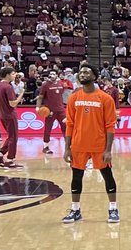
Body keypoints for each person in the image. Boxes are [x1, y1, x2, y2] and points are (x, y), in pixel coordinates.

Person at [61, 66, 119, 224]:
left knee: (107, 176)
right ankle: (75, 209)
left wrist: (108, 149)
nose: (83, 74)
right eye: (81, 72)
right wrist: (67, 148)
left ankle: (113, 208)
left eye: (86, 72)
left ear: (94, 76)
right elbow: (70, 124)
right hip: (78, 145)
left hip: (99, 145)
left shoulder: (105, 98)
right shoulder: (74, 97)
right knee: (76, 177)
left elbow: (110, 126)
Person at [0, 67, 22, 169]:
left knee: (10, 136)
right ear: (7, 75)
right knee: (14, 137)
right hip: (10, 115)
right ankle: (10, 160)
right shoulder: (8, 87)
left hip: (1, 114)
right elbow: (12, 104)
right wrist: (21, 94)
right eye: (13, 74)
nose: (14, 75)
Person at [37, 68, 69, 154]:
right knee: (48, 128)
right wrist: (37, 107)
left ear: (57, 75)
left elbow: (66, 91)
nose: (52, 75)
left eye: (54, 74)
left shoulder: (61, 83)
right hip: (50, 111)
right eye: (50, 74)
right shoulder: (45, 85)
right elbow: (40, 97)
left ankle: (68, 146)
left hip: (61, 110)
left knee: (66, 127)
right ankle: (45, 146)